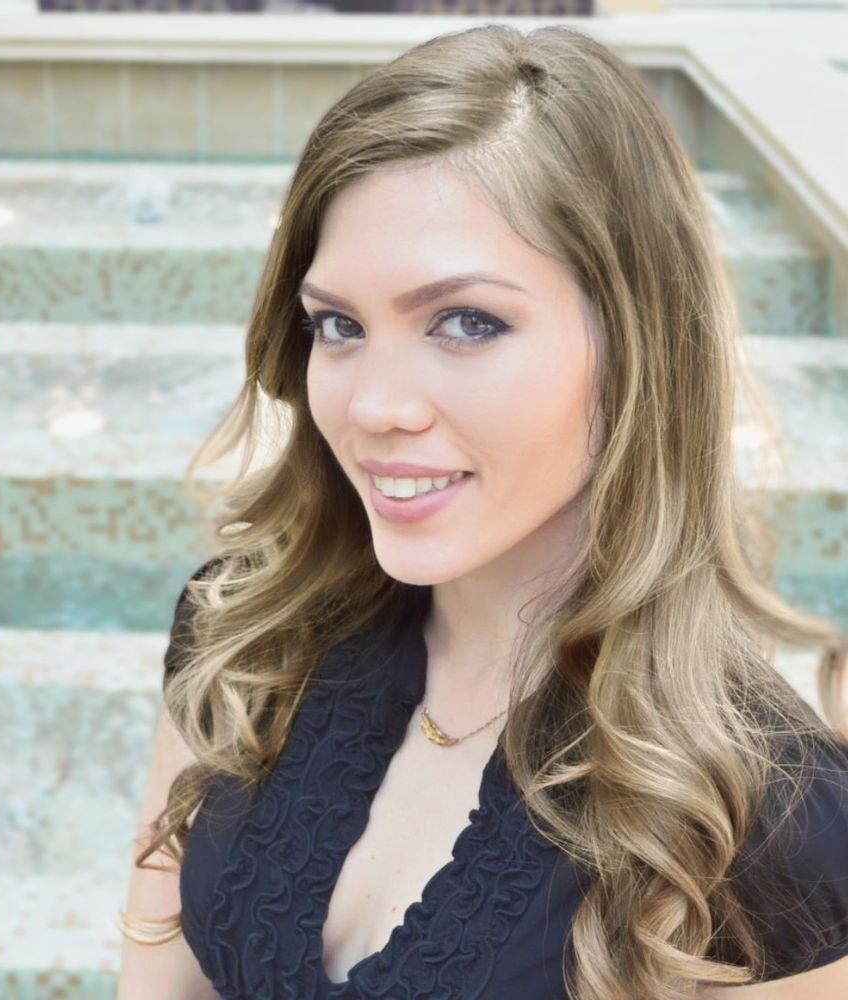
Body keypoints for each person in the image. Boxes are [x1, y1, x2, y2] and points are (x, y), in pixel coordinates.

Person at [116, 22, 848, 1000]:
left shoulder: (769, 818)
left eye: (467, 322)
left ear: (635, 344)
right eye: (339, 325)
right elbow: (159, 976)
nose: (375, 405)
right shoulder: (243, 632)